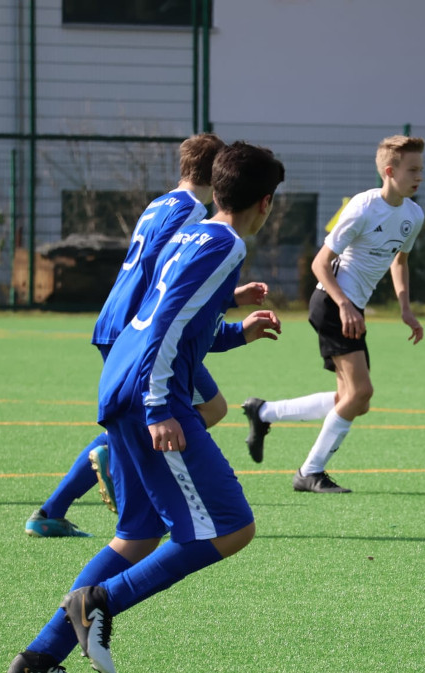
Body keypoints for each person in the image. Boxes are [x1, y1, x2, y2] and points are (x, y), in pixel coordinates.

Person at [8, 141, 285, 673]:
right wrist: (159, 409)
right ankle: (98, 604)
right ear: (266, 202)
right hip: (149, 395)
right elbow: (168, 324)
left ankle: (39, 658)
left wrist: (236, 333)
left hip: (121, 381)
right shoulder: (226, 244)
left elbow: (174, 317)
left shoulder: (192, 231)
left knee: (137, 534)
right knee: (232, 526)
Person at [25, 133, 268, 538]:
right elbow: (169, 283)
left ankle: (55, 508)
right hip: (143, 331)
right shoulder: (194, 213)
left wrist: (227, 298)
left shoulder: (163, 202)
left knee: (178, 413)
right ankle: (128, 473)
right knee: (208, 408)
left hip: (120, 321)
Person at [241, 135, 425, 493]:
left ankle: (263, 413)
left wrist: (405, 307)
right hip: (331, 304)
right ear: (389, 171)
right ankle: (309, 472)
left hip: (350, 307)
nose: (420, 176)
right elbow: (319, 263)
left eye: (421, 169)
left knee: (356, 400)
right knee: (359, 393)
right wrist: (344, 305)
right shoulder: (362, 206)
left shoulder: (413, 216)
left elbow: (399, 261)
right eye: (413, 169)